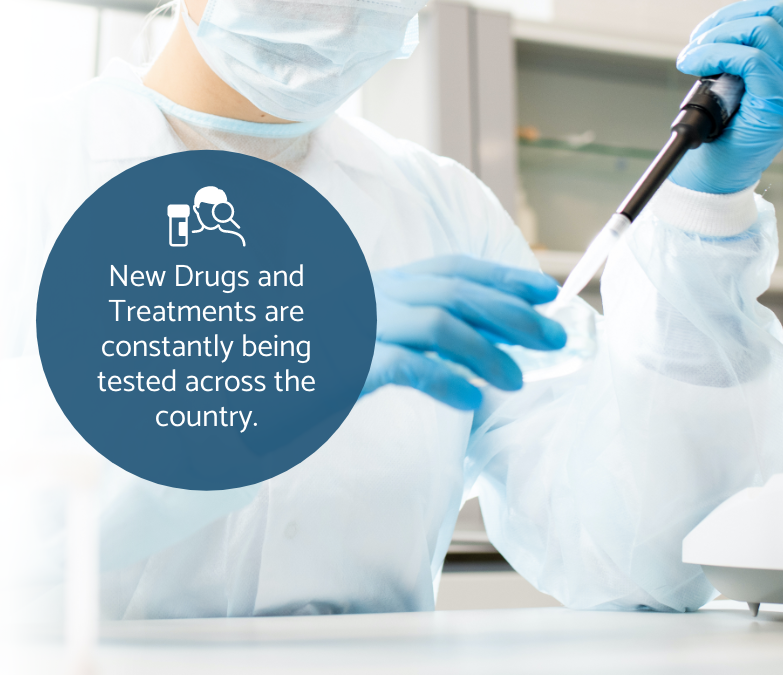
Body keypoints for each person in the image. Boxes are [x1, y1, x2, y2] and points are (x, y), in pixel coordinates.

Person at [3, 0, 783, 618]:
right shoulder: (30, 171)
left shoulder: (443, 210)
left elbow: (639, 557)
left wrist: (703, 210)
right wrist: (272, 371)